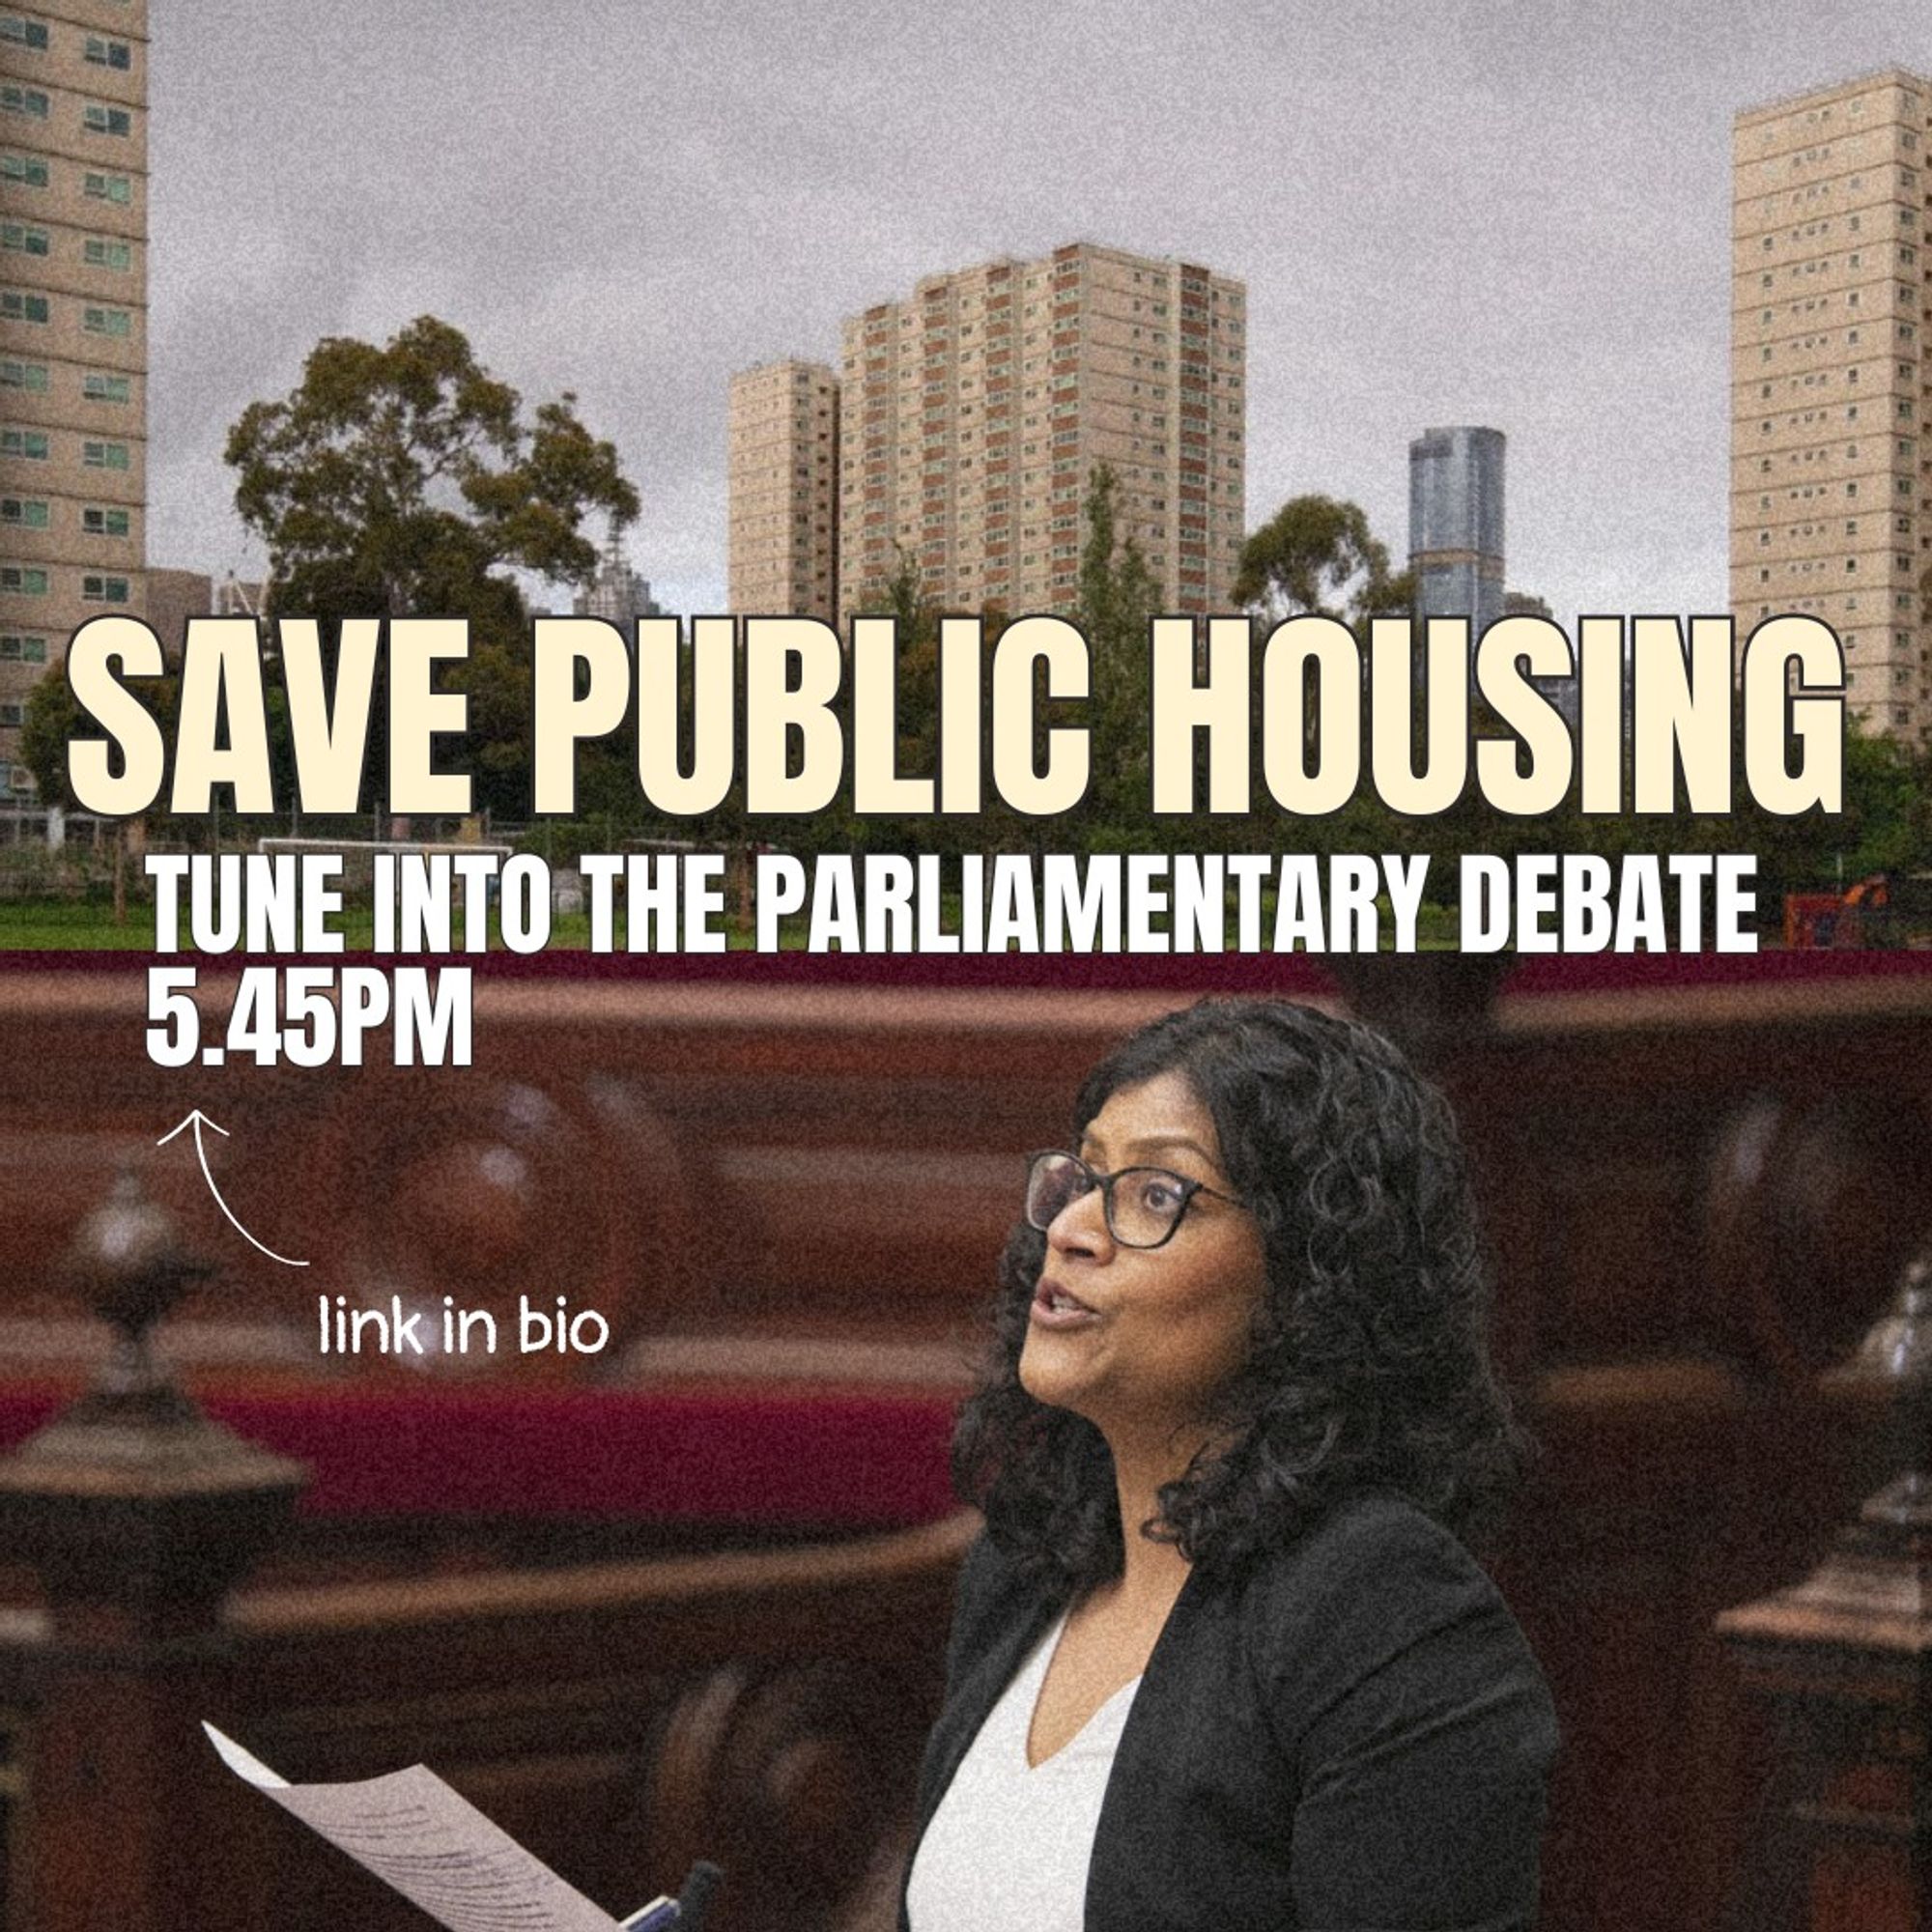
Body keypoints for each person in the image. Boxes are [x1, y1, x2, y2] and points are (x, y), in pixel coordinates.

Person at [901, 997, 1557, 1932]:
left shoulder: (1379, 1609)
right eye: (1085, 1175)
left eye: (1156, 1195)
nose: (1074, 1228)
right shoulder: (1022, 1571)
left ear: (1309, 1278)